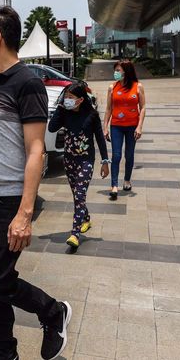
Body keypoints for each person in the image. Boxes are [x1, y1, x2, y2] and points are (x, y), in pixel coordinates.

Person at [0, 6, 71, 360]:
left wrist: (25, 212)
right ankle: (4, 351)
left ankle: (51, 310)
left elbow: (36, 150)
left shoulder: (27, 82)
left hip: (7, 200)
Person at [48, 82, 110, 251]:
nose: (67, 99)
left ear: (81, 99)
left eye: (71, 97)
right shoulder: (64, 113)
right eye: (66, 96)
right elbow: (52, 128)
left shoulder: (91, 115)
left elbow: (99, 139)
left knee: (80, 193)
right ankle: (86, 218)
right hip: (69, 161)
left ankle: (75, 233)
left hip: (86, 161)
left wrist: (105, 162)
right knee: (77, 195)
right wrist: (61, 107)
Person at [103, 59, 146, 200]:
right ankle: (114, 185)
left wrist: (139, 126)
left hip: (132, 127)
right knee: (116, 155)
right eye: (115, 70)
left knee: (129, 155)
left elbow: (143, 107)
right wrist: (105, 127)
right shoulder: (112, 87)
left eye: (118, 70)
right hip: (116, 126)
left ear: (126, 72)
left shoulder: (138, 87)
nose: (115, 73)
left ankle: (127, 180)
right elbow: (108, 109)